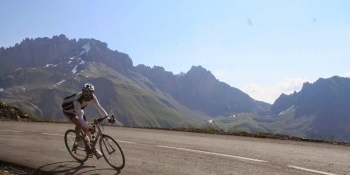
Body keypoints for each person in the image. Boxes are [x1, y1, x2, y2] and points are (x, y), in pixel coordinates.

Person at [62, 83, 115, 159]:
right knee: (80, 124)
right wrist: (88, 126)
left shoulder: (92, 97)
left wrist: (107, 118)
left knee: (88, 132)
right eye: (86, 95)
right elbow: (80, 118)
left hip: (79, 110)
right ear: (83, 93)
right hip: (69, 111)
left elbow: (99, 107)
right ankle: (78, 139)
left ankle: (93, 149)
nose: (88, 97)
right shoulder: (77, 100)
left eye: (90, 95)